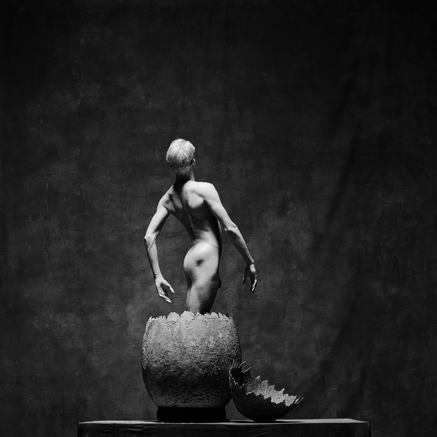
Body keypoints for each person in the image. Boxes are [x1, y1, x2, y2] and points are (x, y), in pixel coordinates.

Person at [144, 138, 257, 314]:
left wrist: (158, 276)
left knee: (193, 318)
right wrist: (250, 262)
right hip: (206, 256)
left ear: (170, 165)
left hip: (191, 258)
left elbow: (149, 236)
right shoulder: (205, 190)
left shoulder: (167, 199)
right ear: (193, 161)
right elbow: (230, 229)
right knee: (194, 323)